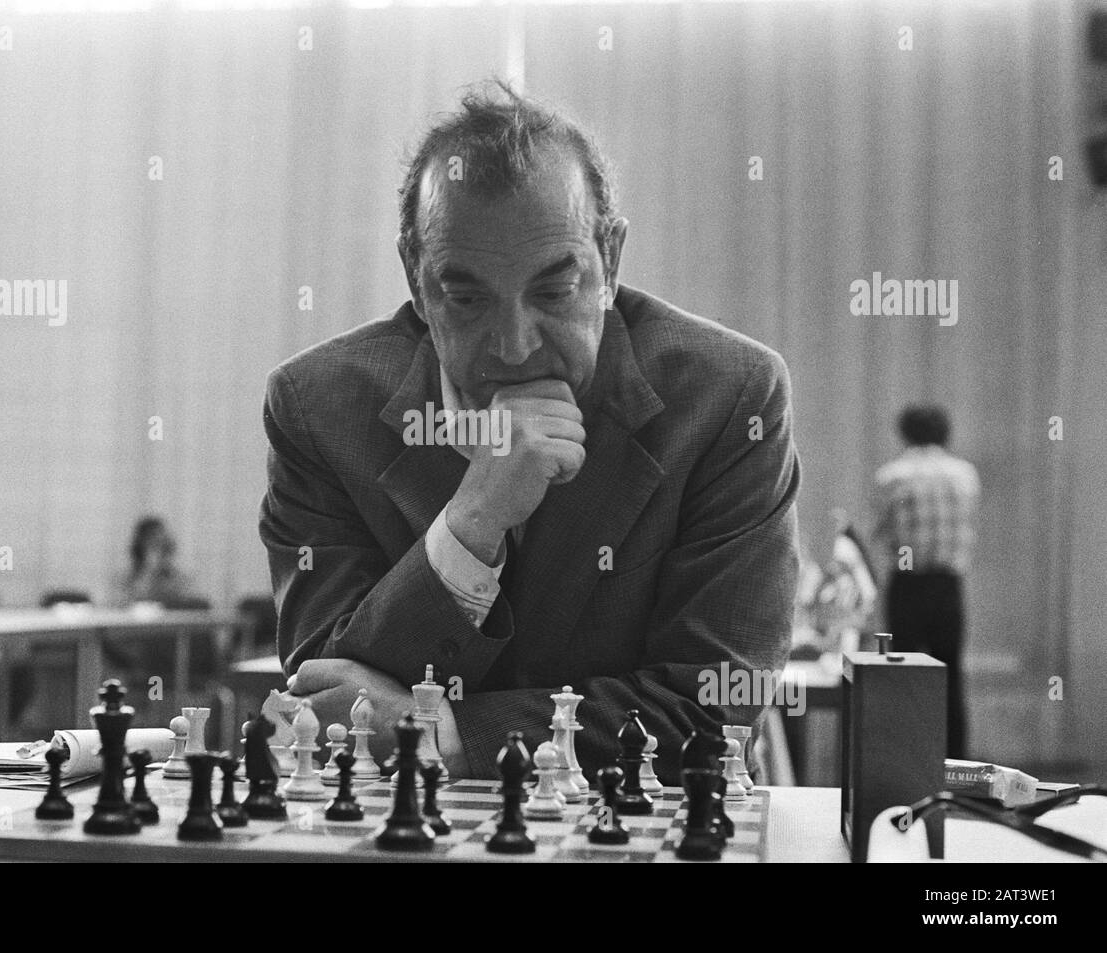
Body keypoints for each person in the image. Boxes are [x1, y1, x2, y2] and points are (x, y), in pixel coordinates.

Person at [261, 83, 800, 782]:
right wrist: (471, 522)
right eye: (466, 296)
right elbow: (330, 698)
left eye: (553, 291)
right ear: (415, 280)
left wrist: (451, 737)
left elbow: (710, 711)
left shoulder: (729, 397)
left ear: (610, 256)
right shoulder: (317, 407)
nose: (514, 347)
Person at [872, 405, 980, 758]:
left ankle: (908, 758)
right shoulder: (964, 475)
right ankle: (955, 763)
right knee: (951, 674)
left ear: (904, 433)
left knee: (903, 676)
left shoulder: (893, 476)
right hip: (948, 585)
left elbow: (883, 532)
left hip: (908, 585)